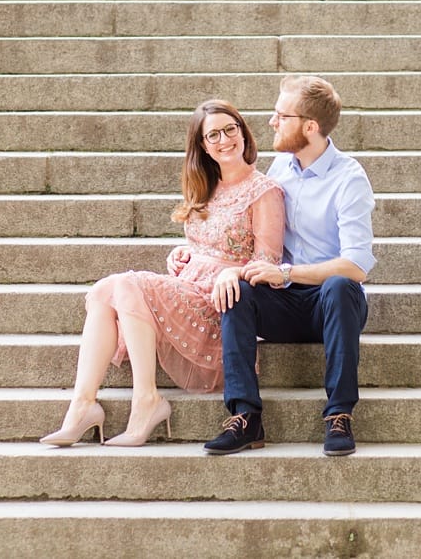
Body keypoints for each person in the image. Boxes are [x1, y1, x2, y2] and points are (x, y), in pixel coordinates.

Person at [40, 100, 285, 448]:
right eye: (212, 134)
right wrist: (184, 254)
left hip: (221, 301)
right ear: (202, 145)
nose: (224, 139)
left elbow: (267, 262)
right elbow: (203, 245)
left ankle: (147, 401)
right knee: (102, 291)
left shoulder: (264, 190)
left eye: (231, 129)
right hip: (189, 285)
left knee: (127, 284)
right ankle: (82, 406)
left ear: (243, 134)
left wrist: (229, 271)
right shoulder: (204, 186)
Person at [203, 74, 376, 457]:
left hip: (331, 306)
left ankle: (339, 414)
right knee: (238, 293)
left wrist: (286, 273)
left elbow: (357, 266)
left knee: (339, 286)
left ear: (309, 127)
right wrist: (225, 266)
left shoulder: (349, 179)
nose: (271, 122)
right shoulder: (279, 168)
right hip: (282, 301)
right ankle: (246, 417)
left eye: (281, 115)